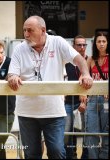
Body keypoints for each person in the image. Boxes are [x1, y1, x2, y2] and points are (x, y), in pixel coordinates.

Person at [7, 15, 93, 159]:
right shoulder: (19, 48)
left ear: (43, 30)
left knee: (57, 152)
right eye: (24, 30)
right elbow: (12, 74)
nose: (26, 34)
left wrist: (85, 74)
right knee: (31, 154)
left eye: (30, 30)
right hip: (27, 113)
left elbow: (78, 59)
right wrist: (13, 77)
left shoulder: (57, 42)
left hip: (53, 112)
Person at [64, 35, 89, 159]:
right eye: (79, 45)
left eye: (84, 44)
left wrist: (86, 100)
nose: (82, 47)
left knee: (86, 132)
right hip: (68, 102)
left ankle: (85, 156)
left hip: (85, 102)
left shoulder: (90, 61)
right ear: (74, 46)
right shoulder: (67, 63)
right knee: (67, 133)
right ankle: (71, 156)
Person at [85, 31, 109, 159]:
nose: (101, 44)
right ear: (95, 44)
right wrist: (83, 96)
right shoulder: (91, 59)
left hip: (107, 101)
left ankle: (104, 157)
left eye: (104, 41)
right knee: (91, 133)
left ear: (107, 43)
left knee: (107, 132)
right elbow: (83, 75)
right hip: (93, 99)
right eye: (99, 41)